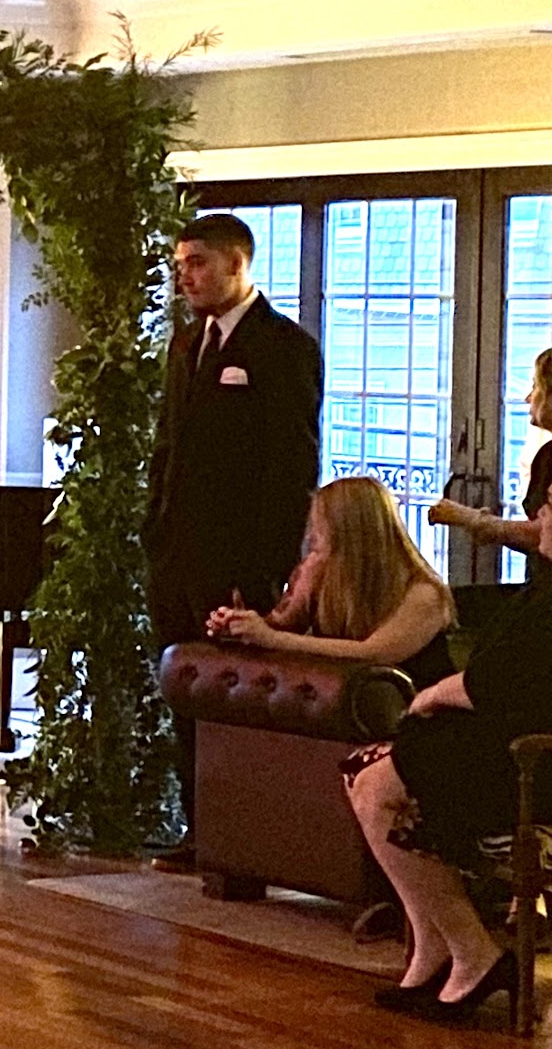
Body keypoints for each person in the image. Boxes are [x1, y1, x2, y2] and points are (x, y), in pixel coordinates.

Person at [145, 212, 322, 870]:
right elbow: (169, 444)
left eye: (197, 263)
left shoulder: (283, 346)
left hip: (238, 560)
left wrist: (268, 569)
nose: (184, 277)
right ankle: (199, 829)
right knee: (186, 691)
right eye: (180, 265)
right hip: (176, 554)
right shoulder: (187, 343)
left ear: (237, 265)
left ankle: (241, 838)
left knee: (235, 695)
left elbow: (290, 467)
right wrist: (154, 527)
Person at [344, 499, 552, 1024]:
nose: (540, 519)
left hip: (532, 765)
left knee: (378, 788)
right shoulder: (544, 586)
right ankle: (441, 946)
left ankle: (471, 954)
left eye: (550, 507)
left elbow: (502, 684)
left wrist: (435, 695)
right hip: (502, 747)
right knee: (364, 774)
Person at [206, 476, 455, 691]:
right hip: (341, 707)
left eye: (320, 525)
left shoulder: (424, 592)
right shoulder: (321, 572)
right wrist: (238, 626)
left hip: (419, 713)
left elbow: (374, 654)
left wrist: (270, 638)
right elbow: (280, 626)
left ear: (349, 531)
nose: (310, 536)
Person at [430, 346, 552, 584]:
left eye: (535, 386)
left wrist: (474, 520)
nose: (528, 397)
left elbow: (539, 534)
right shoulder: (547, 453)